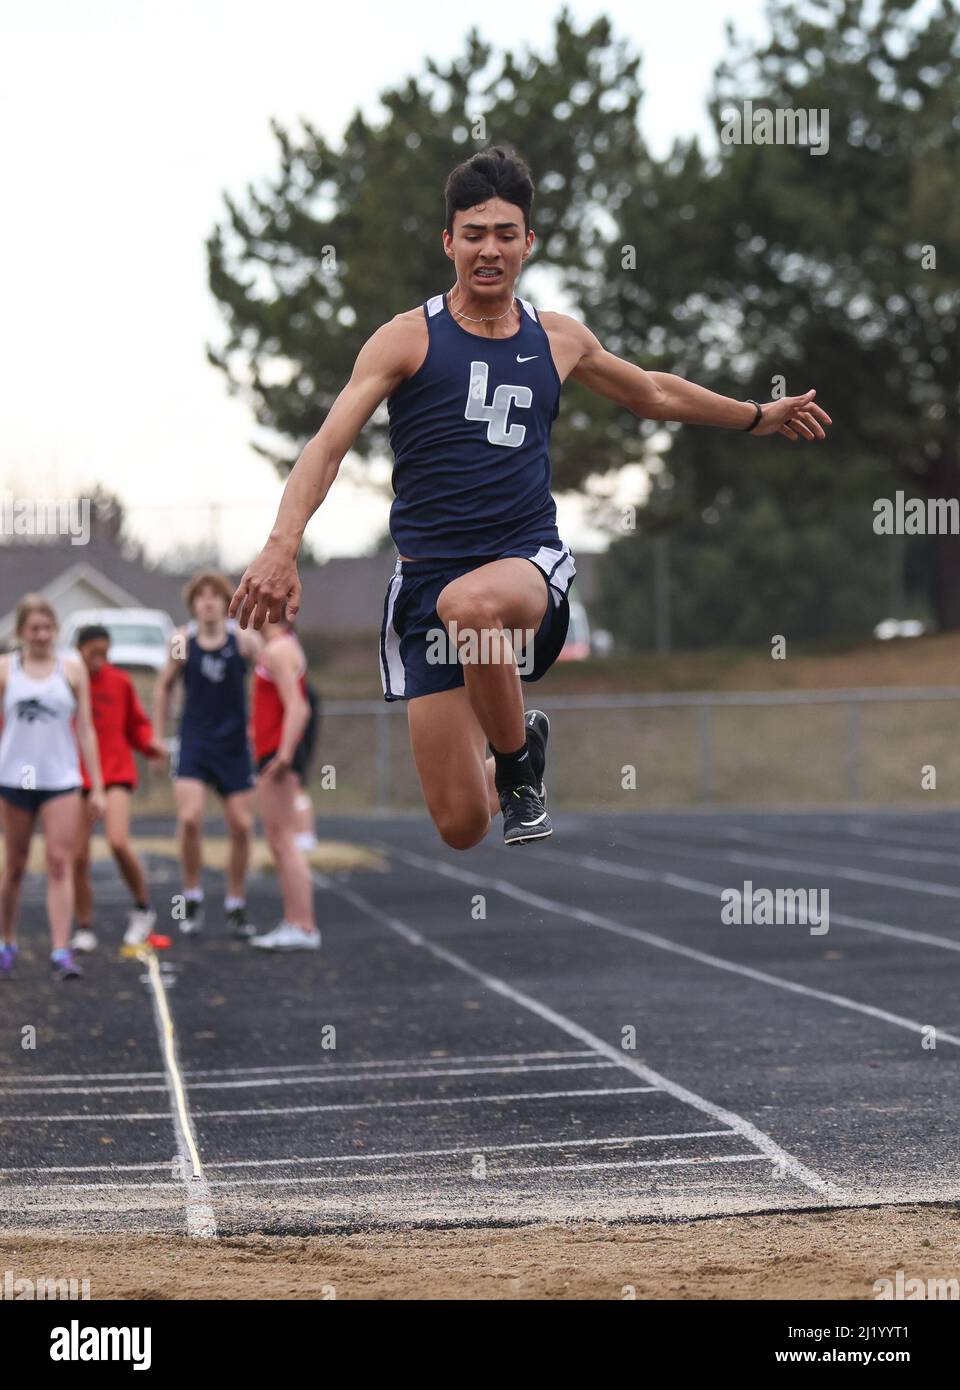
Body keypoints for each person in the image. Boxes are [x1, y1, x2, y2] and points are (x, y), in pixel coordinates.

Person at [229, 147, 831, 851]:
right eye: (475, 233)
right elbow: (327, 446)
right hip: (428, 586)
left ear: (528, 244)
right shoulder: (407, 339)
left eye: (505, 234)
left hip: (525, 570)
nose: (490, 249)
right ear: (448, 241)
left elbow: (654, 394)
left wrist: (757, 415)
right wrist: (281, 544)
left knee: (473, 605)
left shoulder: (558, 338)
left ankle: (518, 775)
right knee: (458, 824)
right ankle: (522, 747)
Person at [153, 571, 262, 938]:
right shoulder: (183, 641)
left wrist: (263, 730)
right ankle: (193, 894)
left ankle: (236, 903)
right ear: (193, 604)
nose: (209, 601)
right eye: (202, 596)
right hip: (195, 742)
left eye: (216, 595)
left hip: (233, 745)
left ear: (225, 601)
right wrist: (157, 736)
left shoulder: (244, 641)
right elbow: (163, 686)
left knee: (242, 826)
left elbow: (268, 679)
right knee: (190, 818)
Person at [0, 595, 104, 980]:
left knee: (60, 862)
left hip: (61, 780)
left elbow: (86, 729)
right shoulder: (7, 669)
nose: (42, 635)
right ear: (22, 632)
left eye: (48, 628)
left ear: (56, 631)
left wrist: (98, 787)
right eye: (34, 629)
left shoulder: (73, 669)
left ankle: (61, 950)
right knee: (14, 866)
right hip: (14, 779)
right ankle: (6, 941)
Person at [70, 624, 167, 951]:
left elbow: (135, 725)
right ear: (79, 649)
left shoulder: (119, 682)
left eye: (104, 652)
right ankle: (84, 926)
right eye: (92, 652)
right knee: (77, 855)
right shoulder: (67, 681)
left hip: (115, 774)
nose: (99, 659)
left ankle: (143, 907)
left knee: (117, 841)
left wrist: (150, 745)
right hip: (76, 777)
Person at [247, 617, 320, 950]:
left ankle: (302, 925)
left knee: (284, 839)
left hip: (278, 756)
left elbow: (298, 708)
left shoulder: (280, 649)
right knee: (279, 840)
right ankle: (295, 921)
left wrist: (285, 755)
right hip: (271, 752)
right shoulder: (274, 648)